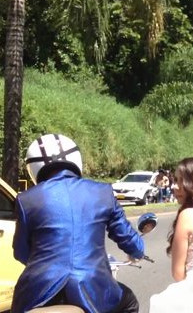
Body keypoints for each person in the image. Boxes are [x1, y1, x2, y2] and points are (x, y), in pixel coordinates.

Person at [12, 133, 145, 313]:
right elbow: (130, 240)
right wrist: (137, 251)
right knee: (130, 303)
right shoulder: (103, 192)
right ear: (75, 159)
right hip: (94, 291)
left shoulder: (26, 199)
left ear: (33, 167)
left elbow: (21, 252)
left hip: (36, 291)